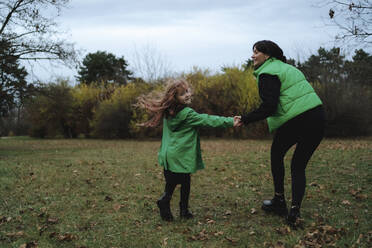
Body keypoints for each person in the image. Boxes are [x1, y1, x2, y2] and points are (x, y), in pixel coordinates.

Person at [239, 40, 325, 227]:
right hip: (318, 116)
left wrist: (245, 119)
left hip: (297, 119)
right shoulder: (289, 69)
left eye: (256, 52)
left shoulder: (267, 72)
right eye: (252, 52)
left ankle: (279, 201)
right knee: (298, 165)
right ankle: (294, 210)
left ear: (267, 55)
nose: (252, 56)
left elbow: (269, 106)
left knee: (277, 153)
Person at [135, 78, 241, 221]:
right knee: (184, 182)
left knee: (173, 183)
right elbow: (207, 120)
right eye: (183, 93)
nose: (187, 94)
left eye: (187, 91)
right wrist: (230, 121)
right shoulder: (188, 114)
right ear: (175, 98)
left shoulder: (168, 112)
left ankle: (175, 206)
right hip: (180, 156)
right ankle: (176, 207)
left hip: (168, 155)